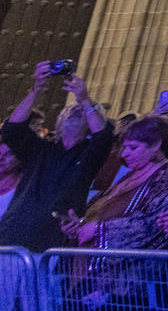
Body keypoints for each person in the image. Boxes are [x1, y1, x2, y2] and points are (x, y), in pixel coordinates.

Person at [58, 116, 168, 311]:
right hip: (88, 270)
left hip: (122, 282)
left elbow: (154, 223)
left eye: (133, 148)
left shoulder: (167, 175)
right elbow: (103, 212)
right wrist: (79, 225)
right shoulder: (130, 174)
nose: (124, 154)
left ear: (156, 144)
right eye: (124, 147)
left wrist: (99, 229)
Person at [0, 61, 114, 252]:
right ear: (59, 120)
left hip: (52, 244)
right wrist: (35, 90)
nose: (76, 109)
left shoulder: (89, 154)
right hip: (13, 236)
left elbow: (103, 137)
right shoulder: (40, 149)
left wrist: (85, 99)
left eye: (83, 110)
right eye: (71, 108)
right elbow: (12, 128)